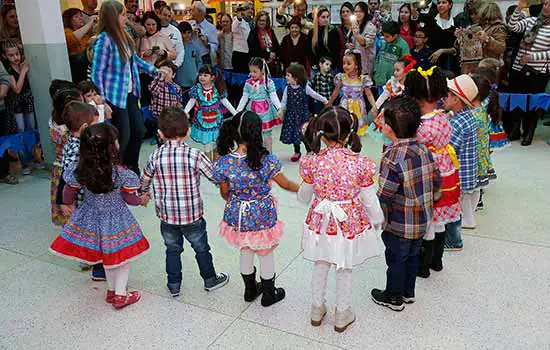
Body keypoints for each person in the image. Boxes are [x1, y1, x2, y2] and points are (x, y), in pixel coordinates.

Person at [298, 106, 383, 332]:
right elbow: (368, 197)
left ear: (322, 135)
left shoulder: (312, 161)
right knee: (344, 266)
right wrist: (377, 218)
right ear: (348, 134)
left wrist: (310, 196)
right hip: (348, 223)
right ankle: (342, 313)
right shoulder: (360, 163)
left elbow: (304, 195)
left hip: (321, 221)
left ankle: (317, 308)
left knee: (321, 262)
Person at [50, 123, 150, 310]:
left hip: (92, 217)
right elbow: (129, 197)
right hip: (117, 219)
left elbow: (68, 191)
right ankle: (121, 295)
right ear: (112, 147)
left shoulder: (79, 170)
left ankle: (111, 291)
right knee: (121, 259)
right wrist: (141, 200)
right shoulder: (120, 173)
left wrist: (67, 204)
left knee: (107, 257)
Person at [140, 107, 229, 297]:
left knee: (172, 250)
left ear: (160, 134)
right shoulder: (194, 155)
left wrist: (144, 193)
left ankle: (174, 285)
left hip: (167, 216)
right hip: (192, 215)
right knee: (201, 248)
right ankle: (210, 280)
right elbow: (215, 176)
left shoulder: (155, 156)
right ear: (188, 131)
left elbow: (145, 179)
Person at [213, 111, 299, 307]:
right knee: (265, 252)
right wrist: (301, 189)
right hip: (261, 213)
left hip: (238, 214)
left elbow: (224, 193)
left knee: (245, 249)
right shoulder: (265, 160)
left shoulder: (225, 162)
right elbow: (285, 184)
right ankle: (269, 294)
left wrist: (236, 199)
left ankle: (250, 290)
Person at [371, 96, 440, 312]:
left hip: (399, 223)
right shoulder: (423, 149)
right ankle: (408, 292)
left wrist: (376, 217)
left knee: (396, 260)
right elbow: (436, 180)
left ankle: (393, 297)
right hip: (422, 220)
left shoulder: (392, 157)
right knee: (412, 257)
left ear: (389, 129)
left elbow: (385, 194)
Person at [90, 1, 166, 175]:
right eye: (122, 15)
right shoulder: (104, 39)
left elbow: (135, 62)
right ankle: (118, 171)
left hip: (131, 92)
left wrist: (155, 70)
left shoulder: (124, 36)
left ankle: (131, 167)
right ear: (112, 17)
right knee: (123, 136)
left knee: (138, 130)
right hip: (114, 96)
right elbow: (97, 72)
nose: (126, 18)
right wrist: (101, 100)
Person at [405, 67, 461, 277]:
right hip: (447, 169)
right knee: (439, 219)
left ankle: (423, 265)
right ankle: (437, 260)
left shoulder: (422, 126)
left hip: (430, 171)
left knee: (427, 219)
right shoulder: (443, 117)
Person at [506, 0, 550, 146]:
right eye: (545, 4)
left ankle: (529, 131)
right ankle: (515, 130)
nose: (546, 8)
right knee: (517, 99)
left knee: (533, 102)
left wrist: (532, 57)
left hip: (538, 71)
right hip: (518, 68)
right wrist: (519, 8)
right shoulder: (531, 21)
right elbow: (512, 27)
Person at [443, 75, 479, 250]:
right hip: (469, 171)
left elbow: (449, 150)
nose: (444, 97)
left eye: (448, 94)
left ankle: (453, 241)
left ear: (456, 99)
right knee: (456, 208)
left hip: (459, 176)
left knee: (452, 211)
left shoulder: (457, 123)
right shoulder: (468, 116)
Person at [184, 65, 237, 159]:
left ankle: (216, 164)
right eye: (200, 75)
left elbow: (225, 102)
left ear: (212, 77)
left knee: (216, 143)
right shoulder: (196, 90)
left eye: (205, 75)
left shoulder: (217, 89)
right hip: (202, 120)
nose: (202, 77)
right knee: (207, 145)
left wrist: (235, 113)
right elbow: (191, 101)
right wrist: (185, 112)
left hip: (216, 120)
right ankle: (208, 164)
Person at [277, 64, 327, 161]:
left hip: (302, 116)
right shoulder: (288, 88)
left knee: (304, 134)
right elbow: (284, 101)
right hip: (291, 116)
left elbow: (314, 94)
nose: (286, 77)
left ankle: (309, 150)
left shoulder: (305, 88)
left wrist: (324, 100)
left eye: (288, 75)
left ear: (296, 77)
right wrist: (281, 110)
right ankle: (297, 151)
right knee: (294, 134)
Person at [236, 57, 282, 152]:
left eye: (255, 71)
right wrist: (238, 111)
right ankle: (256, 154)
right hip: (252, 111)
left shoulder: (268, 82)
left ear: (262, 71)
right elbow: (244, 98)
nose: (252, 74)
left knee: (267, 134)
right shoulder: (248, 83)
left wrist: (279, 108)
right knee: (253, 134)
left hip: (266, 111)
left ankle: (268, 154)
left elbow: (273, 96)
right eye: (251, 71)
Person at [368, 55, 415, 146]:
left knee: (399, 140)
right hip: (388, 114)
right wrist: (375, 107)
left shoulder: (411, 86)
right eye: (394, 70)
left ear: (407, 70)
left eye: (398, 70)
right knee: (385, 140)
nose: (395, 73)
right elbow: (384, 96)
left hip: (402, 117)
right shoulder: (392, 82)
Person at [328, 50, 377, 136]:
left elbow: (369, 94)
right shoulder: (341, 78)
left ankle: (356, 146)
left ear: (356, 66)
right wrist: (329, 103)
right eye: (344, 63)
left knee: (357, 131)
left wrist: (374, 106)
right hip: (345, 105)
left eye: (348, 63)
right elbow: (335, 93)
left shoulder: (363, 79)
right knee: (344, 129)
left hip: (358, 107)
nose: (345, 66)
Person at [460, 1, 507, 74]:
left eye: (476, 13)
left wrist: (487, 39)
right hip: (472, 66)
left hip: (488, 67)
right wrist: (461, 38)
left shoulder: (498, 28)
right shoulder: (475, 27)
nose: (472, 16)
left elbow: (501, 48)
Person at [419, 0, 459, 74]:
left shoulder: (456, 24)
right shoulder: (429, 20)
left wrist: (442, 50)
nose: (440, 5)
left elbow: (456, 48)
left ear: (450, 5)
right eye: (438, 3)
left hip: (449, 65)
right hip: (430, 63)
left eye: (444, 2)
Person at [374, 21, 410, 87]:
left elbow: (406, 65)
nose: (384, 38)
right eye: (383, 35)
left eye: (387, 36)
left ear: (395, 35)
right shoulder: (383, 42)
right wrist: (375, 71)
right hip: (379, 80)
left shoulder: (403, 46)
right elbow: (378, 58)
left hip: (393, 84)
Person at [247, 12, 281, 77]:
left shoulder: (271, 31)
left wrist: (275, 54)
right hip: (258, 66)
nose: (261, 22)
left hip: (272, 65)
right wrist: (268, 55)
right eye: (259, 20)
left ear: (267, 22)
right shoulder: (253, 32)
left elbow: (276, 46)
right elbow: (253, 49)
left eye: (263, 20)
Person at [175, 21, 202, 96]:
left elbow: (199, 61)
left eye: (188, 32)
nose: (186, 35)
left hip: (193, 80)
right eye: (184, 33)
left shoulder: (195, 46)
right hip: (179, 80)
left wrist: (197, 73)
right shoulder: (176, 46)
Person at [351, 2, 378, 78]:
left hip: (366, 64)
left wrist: (357, 35)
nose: (358, 14)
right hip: (356, 63)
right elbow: (354, 42)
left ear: (365, 12)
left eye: (360, 11)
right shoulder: (355, 24)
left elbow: (365, 44)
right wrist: (351, 46)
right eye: (356, 11)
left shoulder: (370, 26)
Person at [328, 2, 354, 73]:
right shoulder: (336, 30)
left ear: (352, 13)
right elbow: (332, 48)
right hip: (340, 64)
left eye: (347, 11)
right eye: (343, 12)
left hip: (354, 63)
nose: (345, 13)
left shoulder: (357, 28)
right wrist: (344, 46)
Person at [231, 6, 251, 73]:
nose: (249, 10)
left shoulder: (252, 22)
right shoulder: (237, 20)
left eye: (252, 8)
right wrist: (239, 18)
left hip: (249, 54)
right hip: (240, 55)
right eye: (246, 9)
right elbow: (233, 29)